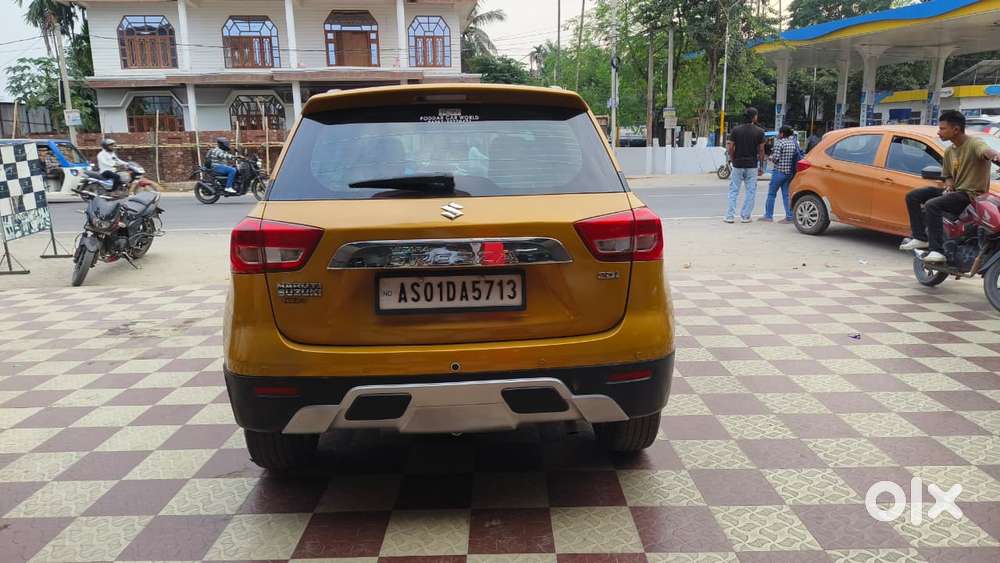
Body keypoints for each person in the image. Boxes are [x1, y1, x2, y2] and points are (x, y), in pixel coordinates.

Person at [900, 110, 1000, 262]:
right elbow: (948, 176)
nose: (939, 132)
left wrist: (996, 156)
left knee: (932, 205)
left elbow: (987, 152)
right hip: (956, 192)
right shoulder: (949, 151)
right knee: (913, 196)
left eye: (942, 128)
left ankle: (937, 251)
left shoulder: (974, 144)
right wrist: (948, 186)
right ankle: (920, 238)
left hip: (971, 195)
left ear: (956, 129)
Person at [724, 107, 766, 223]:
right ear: (754, 117)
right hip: (752, 165)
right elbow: (761, 150)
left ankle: (730, 216)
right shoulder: (759, 131)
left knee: (734, 191)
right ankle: (746, 216)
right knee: (751, 191)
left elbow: (730, 147)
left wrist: (732, 159)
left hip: (738, 164)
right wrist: (761, 166)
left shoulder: (736, 130)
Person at [760, 125, 798, 223]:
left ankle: (768, 216)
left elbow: (775, 159)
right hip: (789, 173)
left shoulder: (779, 143)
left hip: (779, 172)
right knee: (786, 195)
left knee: (771, 194)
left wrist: (770, 158)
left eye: (779, 133)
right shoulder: (793, 143)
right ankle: (789, 217)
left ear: (782, 133)